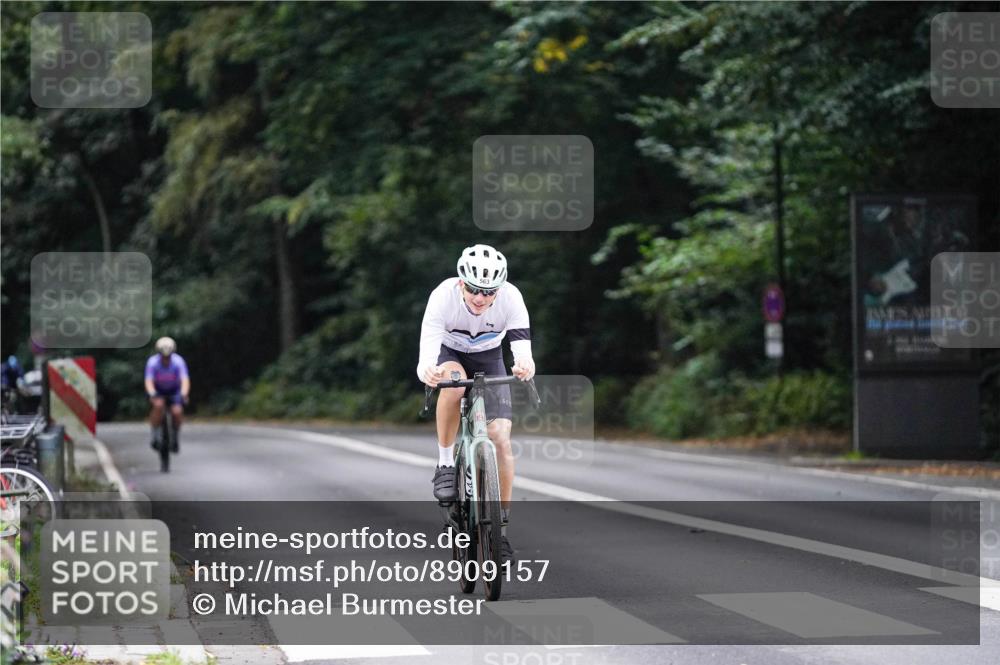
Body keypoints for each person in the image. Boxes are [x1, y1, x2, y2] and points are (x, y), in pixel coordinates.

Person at [417, 244, 536, 561]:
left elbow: (522, 349)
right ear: (461, 283)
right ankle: (445, 463)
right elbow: (427, 348)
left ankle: (501, 532)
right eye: (473, 290)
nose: (480, 298)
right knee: (454, 388)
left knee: (500, 440)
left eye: (488, 292)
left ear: (499, 289)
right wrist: (428, 370)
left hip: (490, 357)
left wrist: (524, 365)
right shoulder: (443, 296)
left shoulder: (512, 297)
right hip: (450, 354)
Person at [144, 337, 190, 451]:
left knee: (177, 412)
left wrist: (184, 393)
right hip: (158, 390)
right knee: (158, 406)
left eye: (168, 357)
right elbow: (149, 380)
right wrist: (152, 392)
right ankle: (155, 434)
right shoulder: (152, 362)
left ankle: (175, 437)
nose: (166, 359)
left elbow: (184, 379)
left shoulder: (178, 361)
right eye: (163, 356)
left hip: (174, 390)